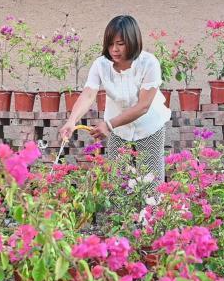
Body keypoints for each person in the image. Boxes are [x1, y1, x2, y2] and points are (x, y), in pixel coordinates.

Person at [58, 15, 171, 192]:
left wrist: (108, 125)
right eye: (110, 44)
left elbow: (143, 106)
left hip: (150, 128)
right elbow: (88, 94)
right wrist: (72, 120)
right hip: (118, 132)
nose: (114, 50)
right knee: (118, 187)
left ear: (133, 41)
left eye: (120, 44)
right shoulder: (101, 65)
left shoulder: (149, 63)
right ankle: (120, 221)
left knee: (150, 186)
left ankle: (149, 220)